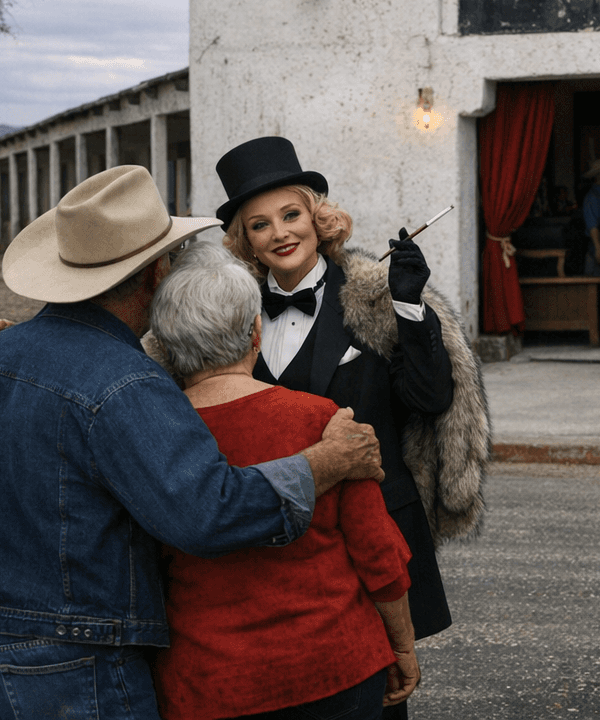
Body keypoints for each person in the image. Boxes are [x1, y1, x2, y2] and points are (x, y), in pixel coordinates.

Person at [0, 165, 383, 720]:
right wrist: (326, 461)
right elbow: (208, 513)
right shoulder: (125, 383)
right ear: (156, 274)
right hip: (76, 656)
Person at [214, 136, 488, 702]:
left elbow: (430, 400)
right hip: (269, 535)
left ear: (318, 219)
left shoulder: (374, 297)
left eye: (291, 215)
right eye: (260, 225)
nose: (281, 233)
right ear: (245, 240)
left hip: (373, 534)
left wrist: (410, 307)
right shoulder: (223, 310)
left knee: (374, 694)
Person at [149, 243, 418, 720]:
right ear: (256, 332)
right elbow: (378, 554)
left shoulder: (153, 435)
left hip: (211, 680)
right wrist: (401, 646)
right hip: (335, 666)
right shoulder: (319, 419)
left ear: (169, 345)